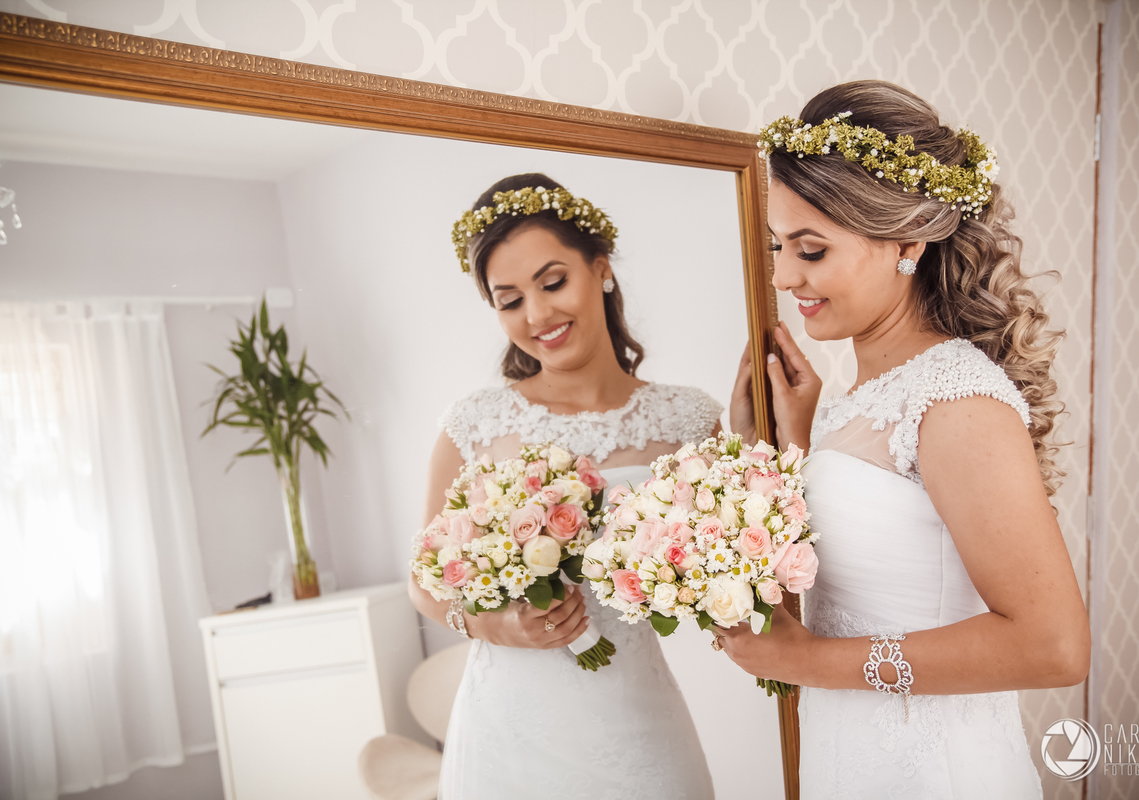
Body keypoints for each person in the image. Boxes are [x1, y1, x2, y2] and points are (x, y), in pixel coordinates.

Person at [723, 80, 1089, 797]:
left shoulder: (957, 400)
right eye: (777, 246)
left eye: (811, 249)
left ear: (908, 242)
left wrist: (801, 660)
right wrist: (798, 440)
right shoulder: (851, 397)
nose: (785, 275)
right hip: (850, 759)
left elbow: (1054, 647)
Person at [409, 174, 718, 800]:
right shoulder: (475, 425)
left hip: (639, 723)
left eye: (553, 283)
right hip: (511, 734)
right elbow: (423, 580)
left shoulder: (690, 421)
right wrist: (497, 628)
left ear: (600, 269)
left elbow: (725, 568)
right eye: (510, 299)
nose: (538, 315)